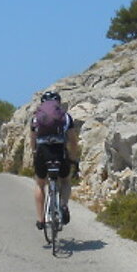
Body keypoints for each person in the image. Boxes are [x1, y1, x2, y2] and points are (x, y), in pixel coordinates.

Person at [30, 90, 80, 229]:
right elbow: (73, 141)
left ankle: (40, 220)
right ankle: (63, 205)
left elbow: (32, 140)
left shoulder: (35, 118)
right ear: (58, 102)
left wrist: (35, 152)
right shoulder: (65, 117)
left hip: (42, 152)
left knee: (40, 184)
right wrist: (72, 157)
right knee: (65, 180)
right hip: (59, 152)